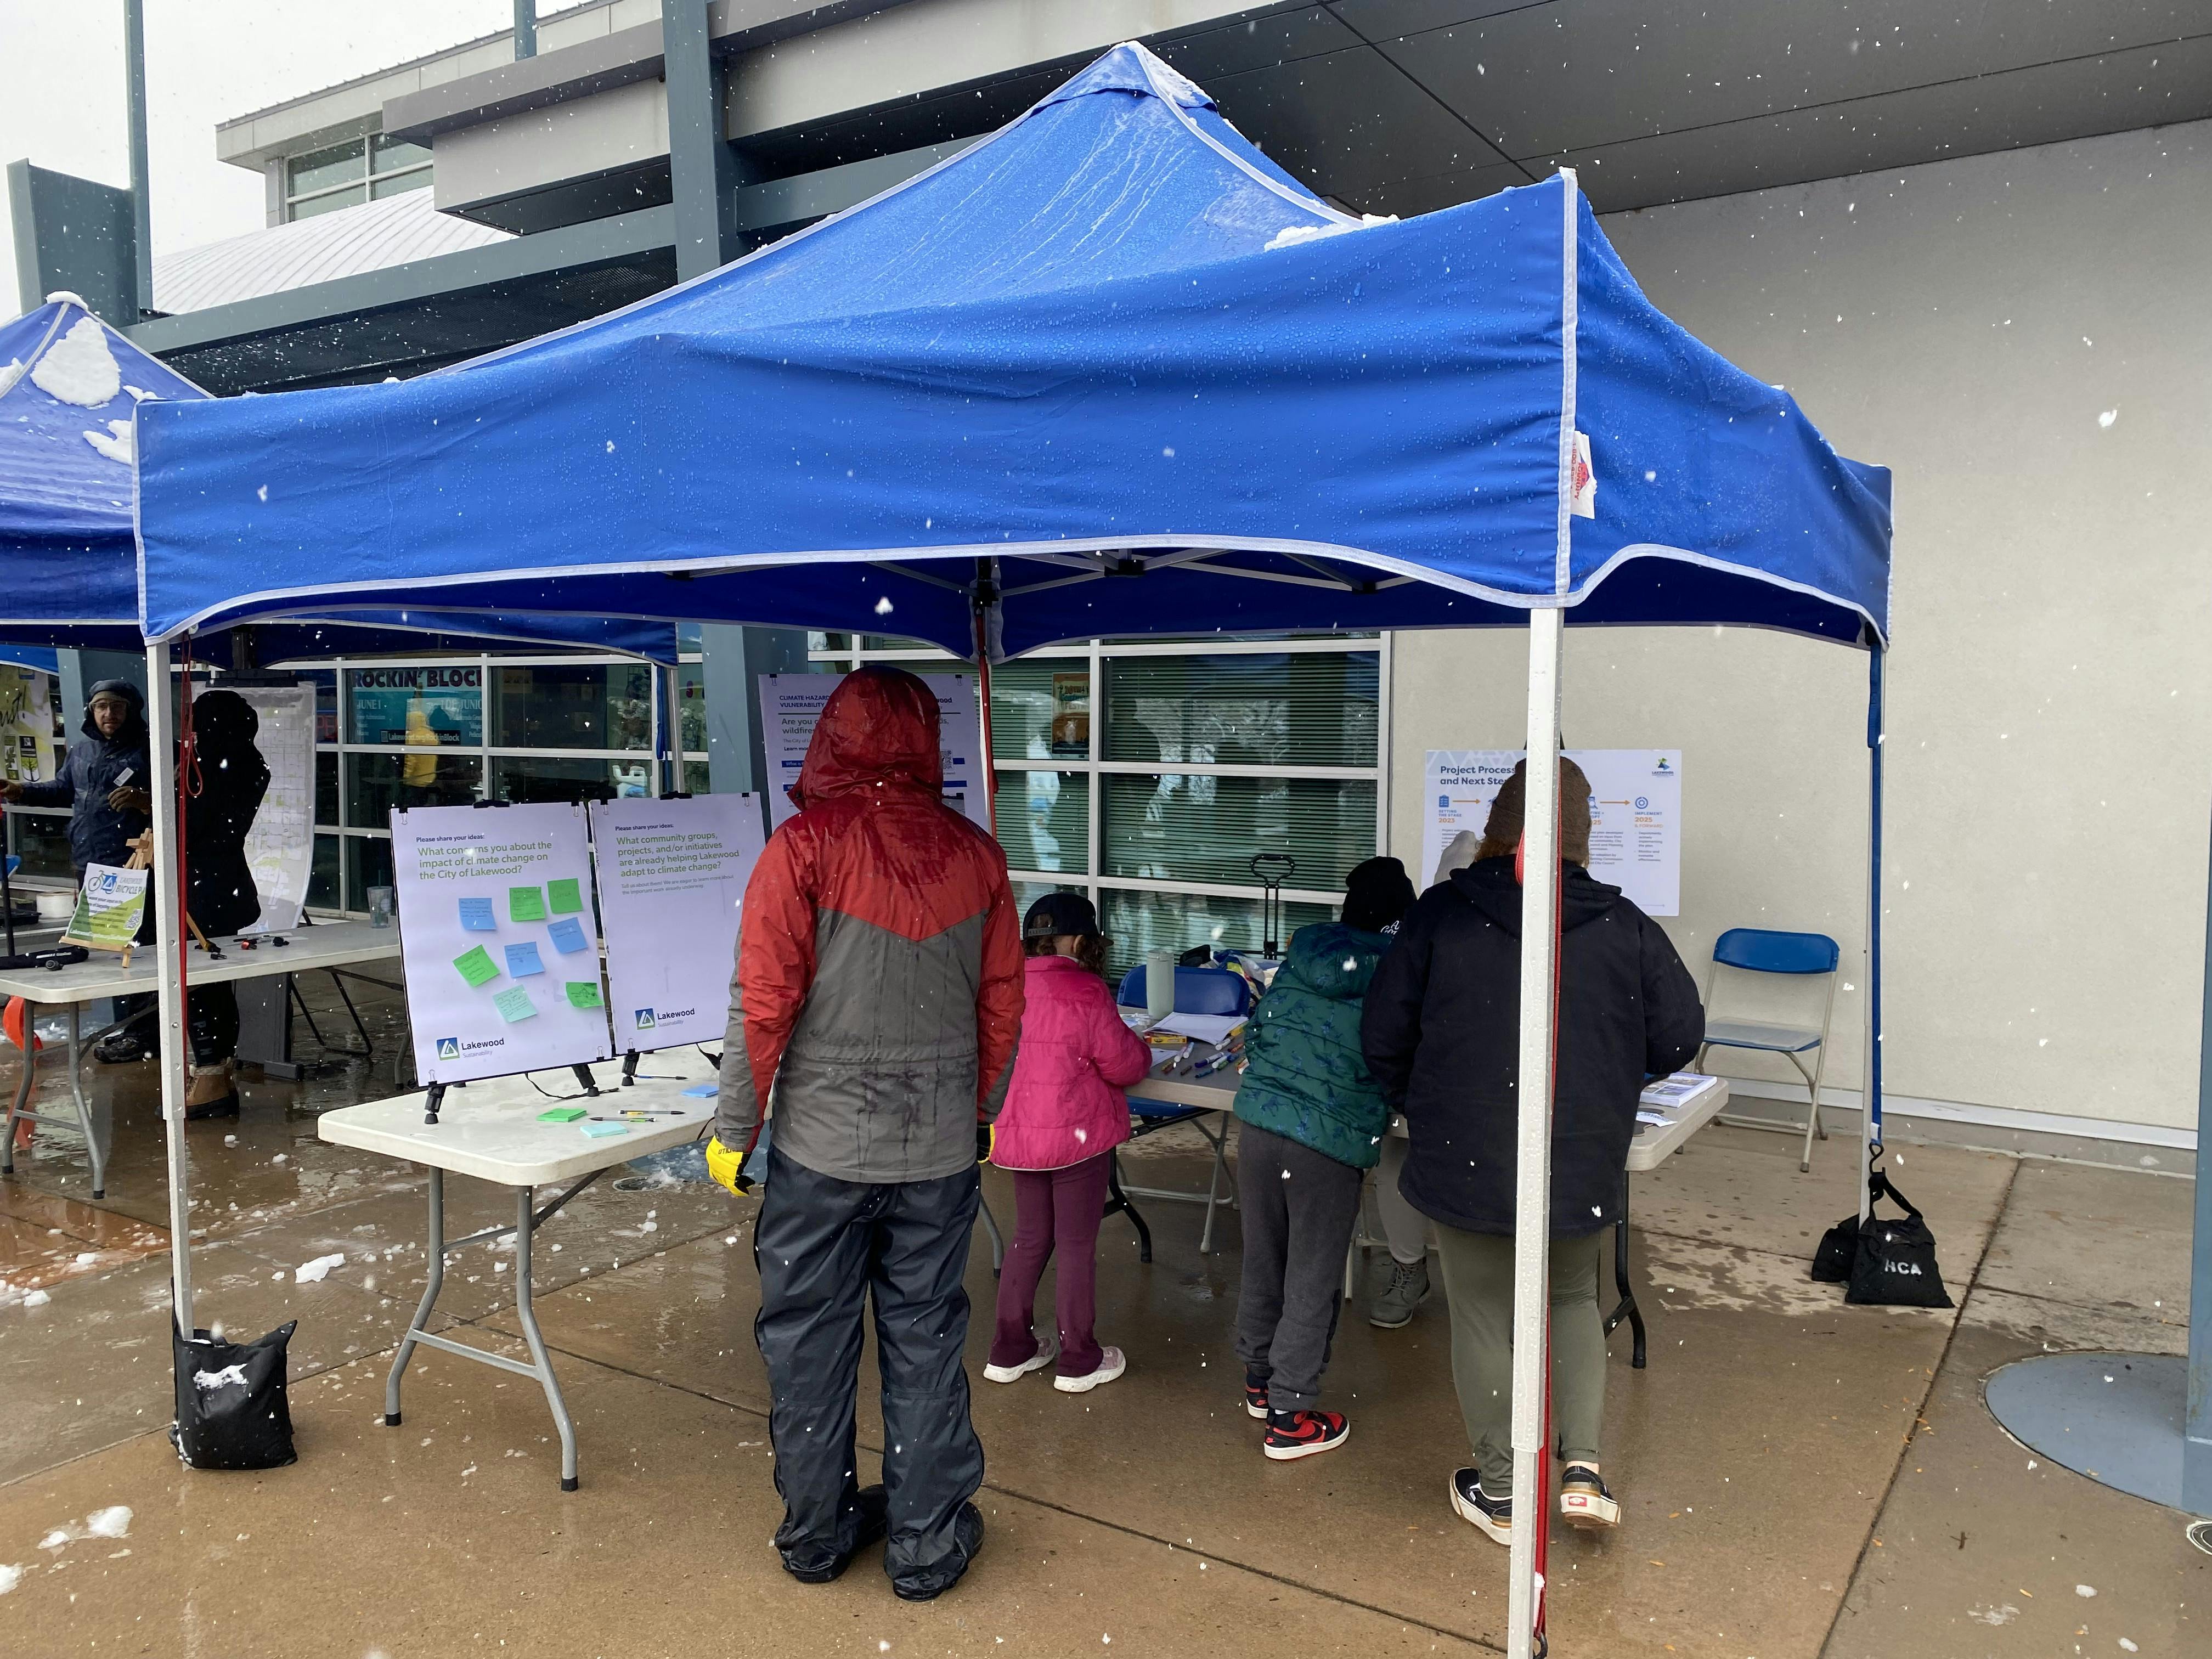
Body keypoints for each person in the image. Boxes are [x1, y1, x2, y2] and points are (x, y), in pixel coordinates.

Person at [704, 667, 1023, 1601]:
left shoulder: (800, 847)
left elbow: (762, 1000)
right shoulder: (978, 855)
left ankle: (815, 1530)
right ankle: (925, 1543)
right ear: (928, 740)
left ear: (830, 738)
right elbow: (1001, 1000)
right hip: (935, 1152)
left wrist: (734, 1128)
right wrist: (982, 1110)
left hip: (818, 1152)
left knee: (809, 1339)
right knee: (925, 1339)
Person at [1362, 759, 1702, 1545]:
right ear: (1584, 835)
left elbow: (1382, 1036)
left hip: (1464, 1152)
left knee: (1482, 1313)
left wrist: (1422, 1097)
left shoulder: (1443, 914)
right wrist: (1612, 1068)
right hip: (1578, 1157)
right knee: (1572, 1300)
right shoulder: (1624, 925)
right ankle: (1581, 1470)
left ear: (1496, 827)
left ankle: (1506, 1493)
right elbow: (1680, 1034)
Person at [1229, 856, 1415, 1460]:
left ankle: (1260, 1383)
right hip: (1327, 1143)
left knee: (1265, 1260)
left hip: (1259, 1127)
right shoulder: (1400, 967)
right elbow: (1396, 1056)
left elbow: (1258, 1032)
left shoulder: (1306, 950)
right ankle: (1289, 1416)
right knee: (1313, 1276)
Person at [982, 892, 1152, 1395]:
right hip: (1078, 1140)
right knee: (1077, 1245)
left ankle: (1009, 1351)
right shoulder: (1087, 990)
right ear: (1082, 941)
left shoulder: (1004, 988)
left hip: (1020, 1138)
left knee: (1030, 1238)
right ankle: (1079, 1359)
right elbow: (1125, 1065)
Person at [1368, 832, 1486, 1326]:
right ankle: (1408, 1269)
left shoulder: (1513, 938)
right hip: (1422, 1091)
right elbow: (1388, 1024)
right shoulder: (1415, 937)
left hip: (1490, 1097)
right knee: (1395, 1160)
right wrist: (1402, 1092)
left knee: (1492, 1176)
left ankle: (1493, 1288)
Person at [3, 680, 154, 1062]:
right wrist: (22, 791)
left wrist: (146, 801)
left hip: (134, 867)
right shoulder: (83, 750)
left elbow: (182, 803)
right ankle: (126, 1027)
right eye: (102, 706)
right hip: (90, 865)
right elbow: (63, 789)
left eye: (117, 707)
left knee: (135, 952)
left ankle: (144, 1033)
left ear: (131, 710)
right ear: (91, 710)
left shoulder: (152, 751)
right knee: (102, 953)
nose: (109, 714)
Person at [174, 690, 271, 1120]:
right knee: (213, 983)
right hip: (220, 885)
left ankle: (212, 1073)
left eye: (197, 721)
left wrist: (159, 803)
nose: (191, 730)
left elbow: (197, 826)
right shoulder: (245, 762)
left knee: (201, 984)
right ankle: (218, 1071)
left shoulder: (217, 766)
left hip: (203, 889)